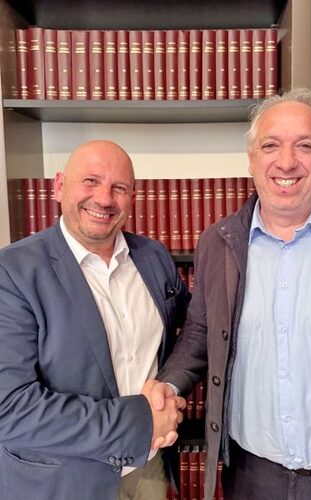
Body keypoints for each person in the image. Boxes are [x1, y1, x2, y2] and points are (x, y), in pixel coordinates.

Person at [151, 88, 311, 500]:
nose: (287, 162)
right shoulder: (218, 243)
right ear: (251, 159)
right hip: (251, 478)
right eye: (270, 145)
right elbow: (201, 333)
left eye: (305, 146)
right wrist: (168, 386)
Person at [0, 140, 191, 500]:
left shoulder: (153, 257)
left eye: (119, 187)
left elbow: (193, 331)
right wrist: (142, 421)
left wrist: (170, 388)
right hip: (64, 482)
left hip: (150, 470)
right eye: (90, 181)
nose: (104, 199)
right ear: (59, 186)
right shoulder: (12, 272)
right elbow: (10, 408)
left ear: (132, 196)